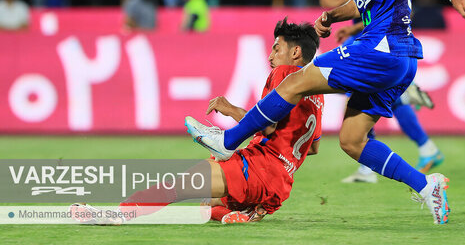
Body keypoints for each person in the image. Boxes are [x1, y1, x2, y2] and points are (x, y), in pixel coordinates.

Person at [186, 0, 465, 224]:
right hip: (400, 61)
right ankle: (426, 186)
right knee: (352, 140)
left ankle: (229, 140)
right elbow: (363, 1)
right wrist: (332, 15)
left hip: (381, 50)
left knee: (296, 81)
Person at [72, 18, 324, 225]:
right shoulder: (317, 92)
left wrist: (231, 109)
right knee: (208, 204)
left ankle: (115, 215)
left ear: (295, 52)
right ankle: (246, 212)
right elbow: (312, 148)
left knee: (181, 184)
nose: (270, 56)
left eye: (276, 48)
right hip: (280, 184)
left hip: (261, 169)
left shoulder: (284, 73)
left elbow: (268, 126)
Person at [333, 0, 444, 184]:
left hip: (388, 42)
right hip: (372, 37)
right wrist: (341, 18)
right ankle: (424, 146)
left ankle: (371, 164)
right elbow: (364, 1)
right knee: (380, 96)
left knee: (347, 83)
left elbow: (397, 5)